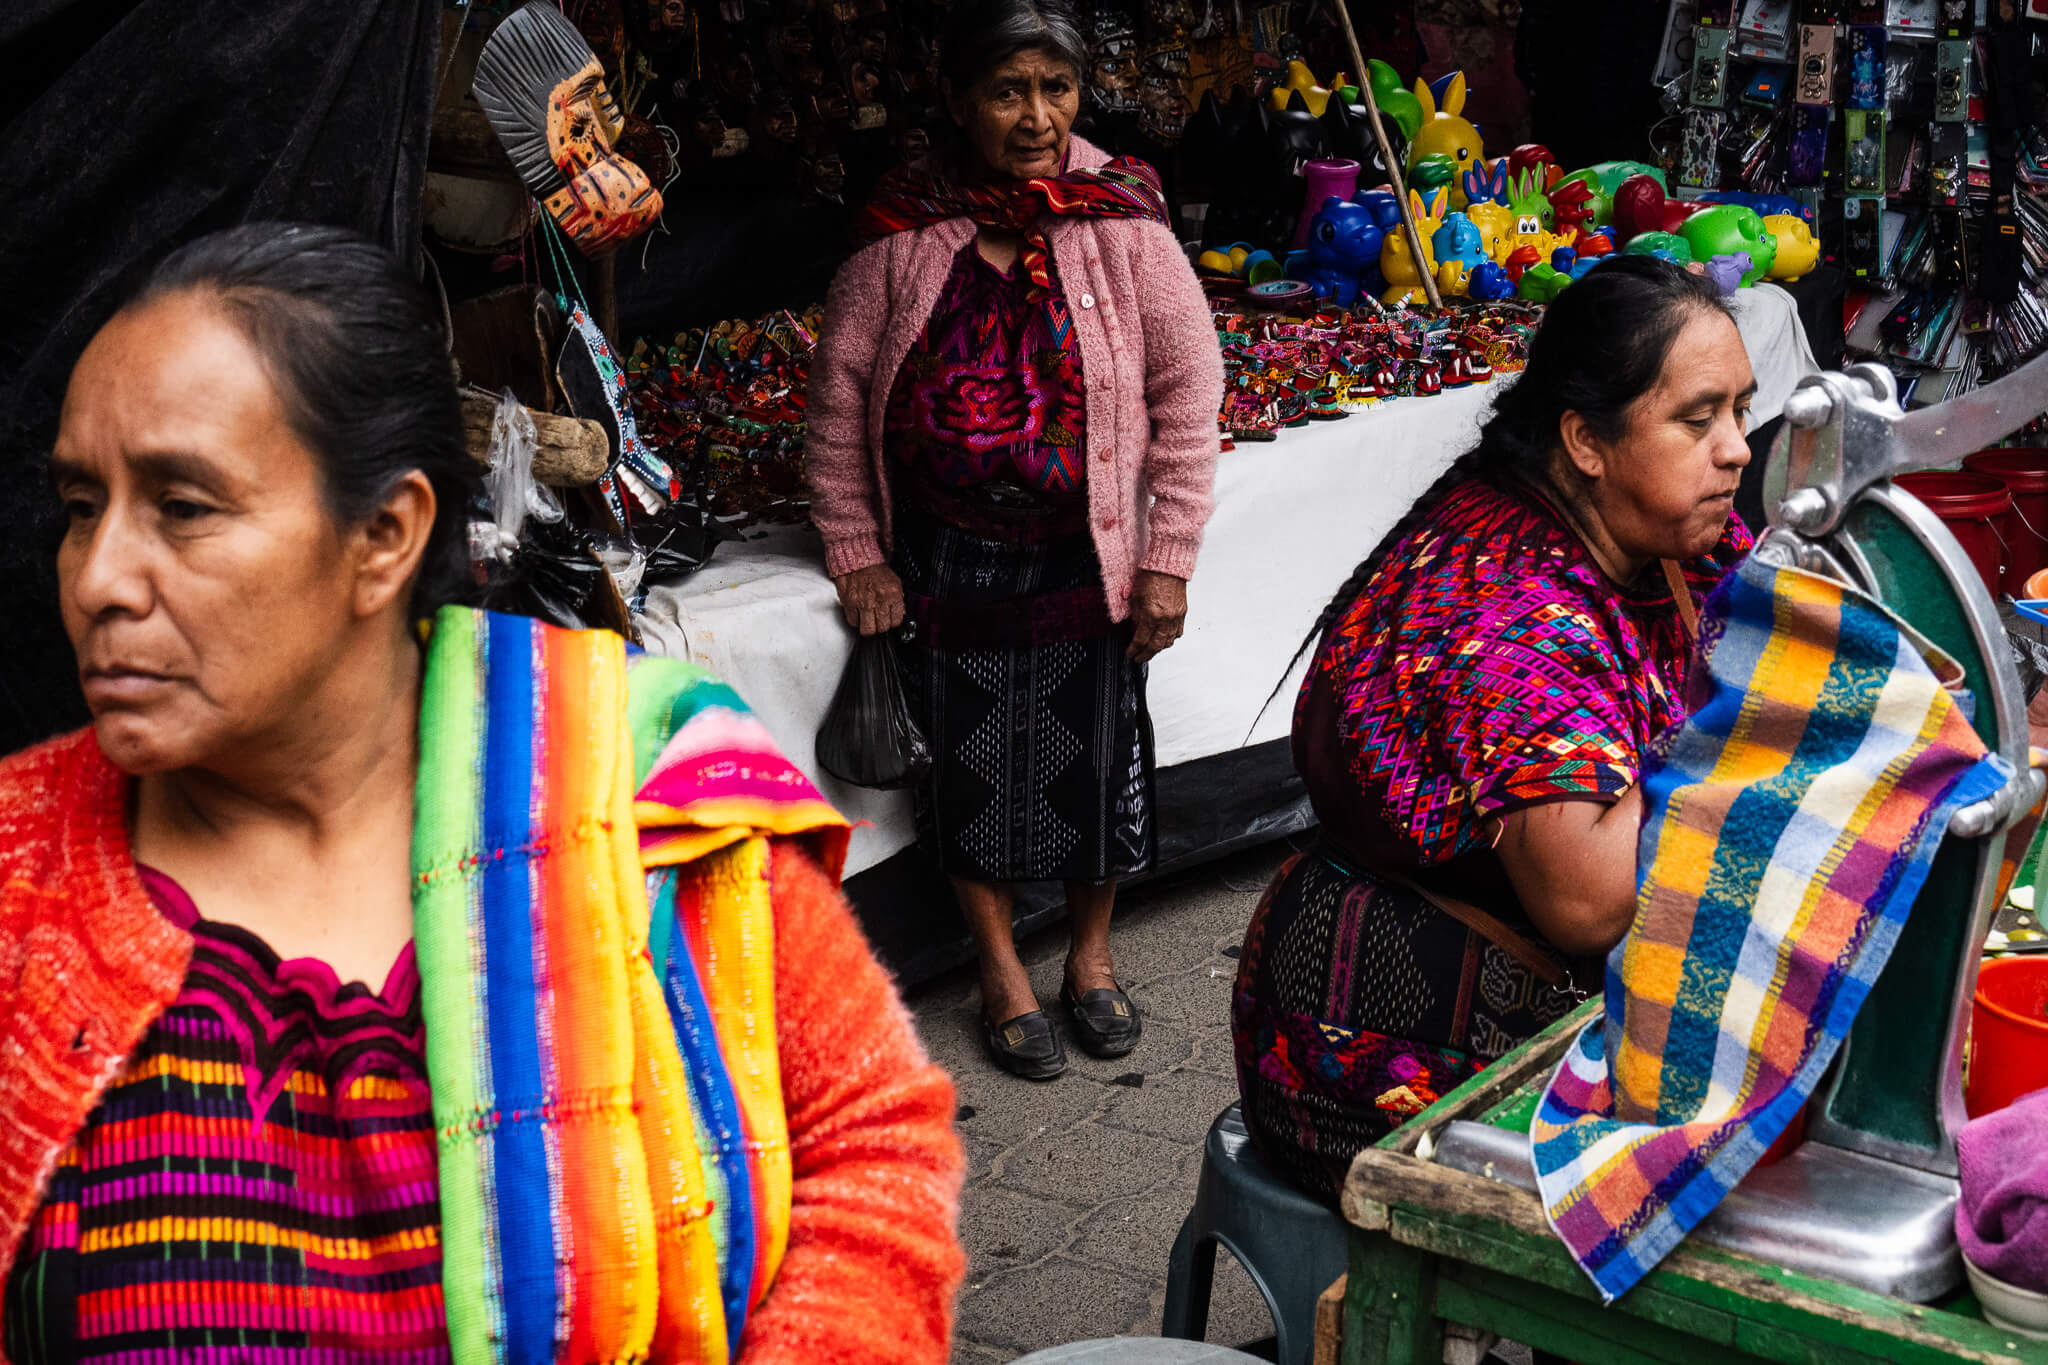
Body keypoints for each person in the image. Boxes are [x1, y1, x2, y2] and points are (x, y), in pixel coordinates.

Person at [0, 223, 965, 1363]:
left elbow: (864, 1136)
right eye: (78, 506)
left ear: (383, 535)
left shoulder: (630, 794)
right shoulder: (23, 885)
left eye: (183, 506)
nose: (100, 577)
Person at [1232, 258, 1756, 1200]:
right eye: (1697, 418)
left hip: (1527, 995)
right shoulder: (1513, 613)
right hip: (1383, 1049)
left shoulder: (1669, 537)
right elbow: (1589, 904)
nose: (1736, 450)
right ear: (1585, 442)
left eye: (1740, 413)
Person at [806, 0, 1224, 1080]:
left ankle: (1089, 961)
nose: (1036, 115)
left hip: (1085, 560)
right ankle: (999, 973)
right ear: (959, 102)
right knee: (969, 770)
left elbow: (1189, 396)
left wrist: (1166, 559)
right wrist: (857, 550)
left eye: (1056, 87)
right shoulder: (903, 227)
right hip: (950, 564)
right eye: (1007, 90)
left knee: (1099, 764)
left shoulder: (1122, 218)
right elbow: (838, 399)